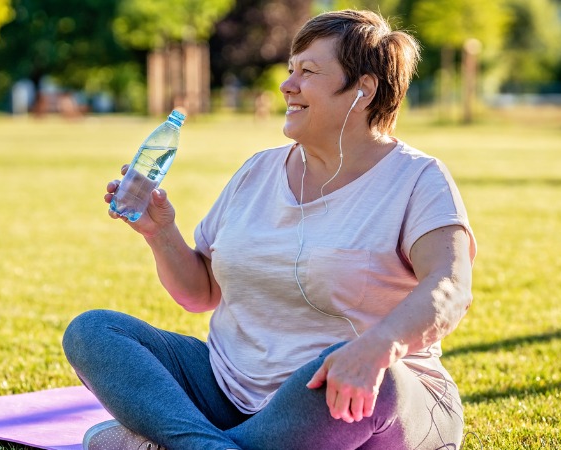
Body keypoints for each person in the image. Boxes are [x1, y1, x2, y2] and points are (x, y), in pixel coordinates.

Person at [63, 9, 477, 450]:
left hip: (352, 399)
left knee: (371, 378)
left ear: (363, 89)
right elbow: (200, 294)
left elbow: (450, 286)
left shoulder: (417, 178)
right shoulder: (257, 171)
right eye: (290, 70)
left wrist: (378, 347)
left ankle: (171, 442)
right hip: (228, 390)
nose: (287, 85)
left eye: (308, 72)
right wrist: (160, 233)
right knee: (94, 332)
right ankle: (209, 444)